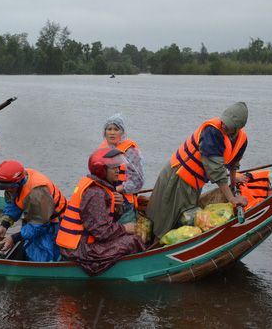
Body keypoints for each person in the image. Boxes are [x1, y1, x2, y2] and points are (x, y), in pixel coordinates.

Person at [146, 102, 250, 239]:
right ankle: (156, 243)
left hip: (194, 182)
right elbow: (216, 170)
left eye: (229, 125)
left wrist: (233, 179)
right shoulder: (212, 132)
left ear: (237, 128)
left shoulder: (242, 139)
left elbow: (233, 163)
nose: (224, 126)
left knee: (179, 213)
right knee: (167, 214)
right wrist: (232, 198)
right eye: (224, 122)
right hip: (178, 176)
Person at [57, 148, 145, 276]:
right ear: (101, 170)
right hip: (80, 250)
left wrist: (117, 208)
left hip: (83, 243)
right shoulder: (95, 193)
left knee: (128, 237)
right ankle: (131, 271)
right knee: (133, 240)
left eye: (117, 166)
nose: (118, 170)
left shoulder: (101, 188)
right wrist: (125, 228)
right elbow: (102, 232)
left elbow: (102, 221)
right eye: (113, 167)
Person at [0, 160, 67, 262]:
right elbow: (13, 204)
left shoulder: (38, 192)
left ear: (17, 183)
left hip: (54, 224)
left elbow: (39, 224)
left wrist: (14, 238)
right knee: (29, 246)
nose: (7, 190)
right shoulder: (14, 186)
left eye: (8, 188)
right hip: (36, 218)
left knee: (41, 257)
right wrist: (4, 224)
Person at [98, 113, 145, 224]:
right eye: (109, 129)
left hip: (125, 204)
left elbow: (138, 181)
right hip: (105, 201)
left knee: (124, 235)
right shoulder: (102, 150)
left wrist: (116, 190)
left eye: (116, 129)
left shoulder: (130, 151)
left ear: (122, 132)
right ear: (105, 132)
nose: (112, 132)